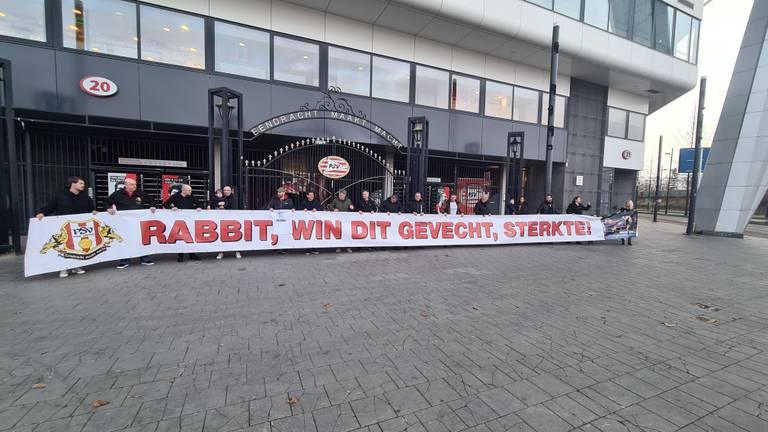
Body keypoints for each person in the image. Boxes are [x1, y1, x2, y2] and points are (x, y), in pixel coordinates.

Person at [35, 176, 97, 278]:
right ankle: (63, 268)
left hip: (79, 228)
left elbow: (91, 209)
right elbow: (50, 207)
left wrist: (94, 211)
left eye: (83, 184)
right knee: (65, 246)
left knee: (77, 247)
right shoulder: (60, 196)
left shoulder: (85, 197)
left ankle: (76, 266)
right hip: (64, 227)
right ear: (73, 184)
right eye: (81, 183)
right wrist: (42, 213)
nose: (83, 185)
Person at [106, 177, 156, 268]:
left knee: (141, 239)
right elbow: (107, 201)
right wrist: (109, 208)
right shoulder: (117, 194)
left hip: (139, 221)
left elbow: (152, 200)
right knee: (125, 240)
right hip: (124, 222)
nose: (134, 186)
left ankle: (145, 259)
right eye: (132, 184)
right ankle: (125, 261)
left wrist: (152, 206)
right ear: (126, 185)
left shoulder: (140, 193)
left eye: (135, 184)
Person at [163, 184, 203, 262]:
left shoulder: (191, 196)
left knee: (190, 237)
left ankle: (192, 254)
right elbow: (165, 204)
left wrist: (198, 207)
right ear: (183, 190)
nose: (190, 192)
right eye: (189, 190)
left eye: (191, 190)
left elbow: (199, 204)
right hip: (179, 220)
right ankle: (180, 255)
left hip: (190, 220)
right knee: (180, 237)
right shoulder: (175, 196)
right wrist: (172, 208)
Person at [215, 185, 242, 260]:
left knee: (235, 236)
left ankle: (237, 251)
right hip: (222, 220)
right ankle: (221, 252)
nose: (226, 191)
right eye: (225, 190)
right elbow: (213, 204)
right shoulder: (219, 197)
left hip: (233, 220)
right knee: (222, 236)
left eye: (227, 190)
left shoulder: (235, 198)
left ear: (231, 191)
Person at [298, 190, 322, 255]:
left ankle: (315, 249)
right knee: (307, 235)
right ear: (307, 196)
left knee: (314, 235)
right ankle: (307, 249)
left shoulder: (317, 202)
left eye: (313, 195)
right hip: (306, 222)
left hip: (315, 222)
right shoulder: (303, 202)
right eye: (310, 195)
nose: (312, 196)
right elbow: (298, 209)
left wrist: (317, 209)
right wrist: (303, 210)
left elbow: (321, 209)